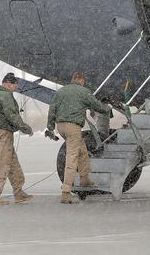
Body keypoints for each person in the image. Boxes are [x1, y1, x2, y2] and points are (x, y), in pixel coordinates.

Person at [47, 71, 112, 204]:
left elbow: (52, 109)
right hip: (73, 127)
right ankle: (66, 192)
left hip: (61, 126)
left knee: (82, 151)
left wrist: (50, 127)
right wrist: (107, 109)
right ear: (81, 80)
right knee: (72, 157)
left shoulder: (61, 92)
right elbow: (96, 106)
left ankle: (84, 179)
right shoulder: (83, 91)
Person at [0, 72, 34, 205]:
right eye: (15, 86)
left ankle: (19, 193)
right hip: (3, 133)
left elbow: (1, 112)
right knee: (3, 164)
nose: (16, 88)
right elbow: (11, 115)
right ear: (9, 84)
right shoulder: (6, 95)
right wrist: (25, 128)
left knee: (12, 162)